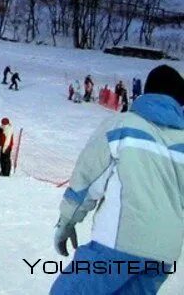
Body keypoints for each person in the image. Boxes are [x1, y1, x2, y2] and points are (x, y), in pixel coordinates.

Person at [50, 65, 183, 295]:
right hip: (164, 253)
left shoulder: (122, 126)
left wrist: (67, 221)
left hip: (119, 242)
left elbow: (88, 179)